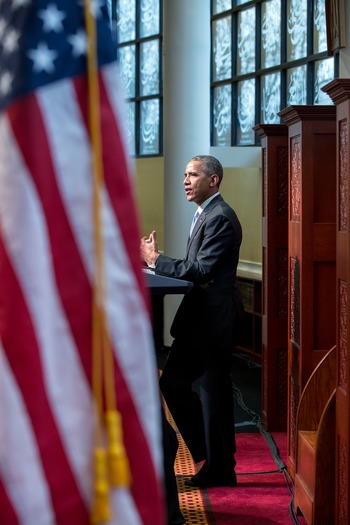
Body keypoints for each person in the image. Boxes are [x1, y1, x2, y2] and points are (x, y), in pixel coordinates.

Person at [140, 155, 244, 489]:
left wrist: (156, 261)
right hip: (201, 321)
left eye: (193, 174)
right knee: (179, 384)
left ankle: (218, 467)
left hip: (213, 322)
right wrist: (158, 263)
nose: (185, 180)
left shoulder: (221, 218)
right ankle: (214, 461)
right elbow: (195, 266)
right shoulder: (205, 214)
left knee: (208, 394)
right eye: (184, 174)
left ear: (213, 180)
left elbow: (199, 271)